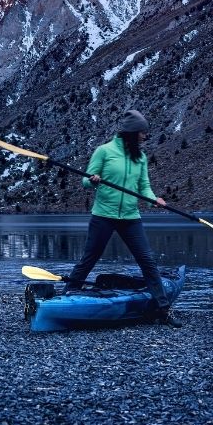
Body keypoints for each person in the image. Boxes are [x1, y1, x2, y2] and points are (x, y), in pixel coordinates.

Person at [65, 110, 182, 328]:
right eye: (142, 132)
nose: (145, 136)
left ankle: (164, 309)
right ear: (131, 133)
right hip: (103, 215)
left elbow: (143, 187)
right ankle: (66, 295)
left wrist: (153, 200)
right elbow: (85, 182)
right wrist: (94, 180)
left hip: (130, 217)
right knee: (90, 258)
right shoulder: (104, 151)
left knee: (147, 261)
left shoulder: (140, 157)